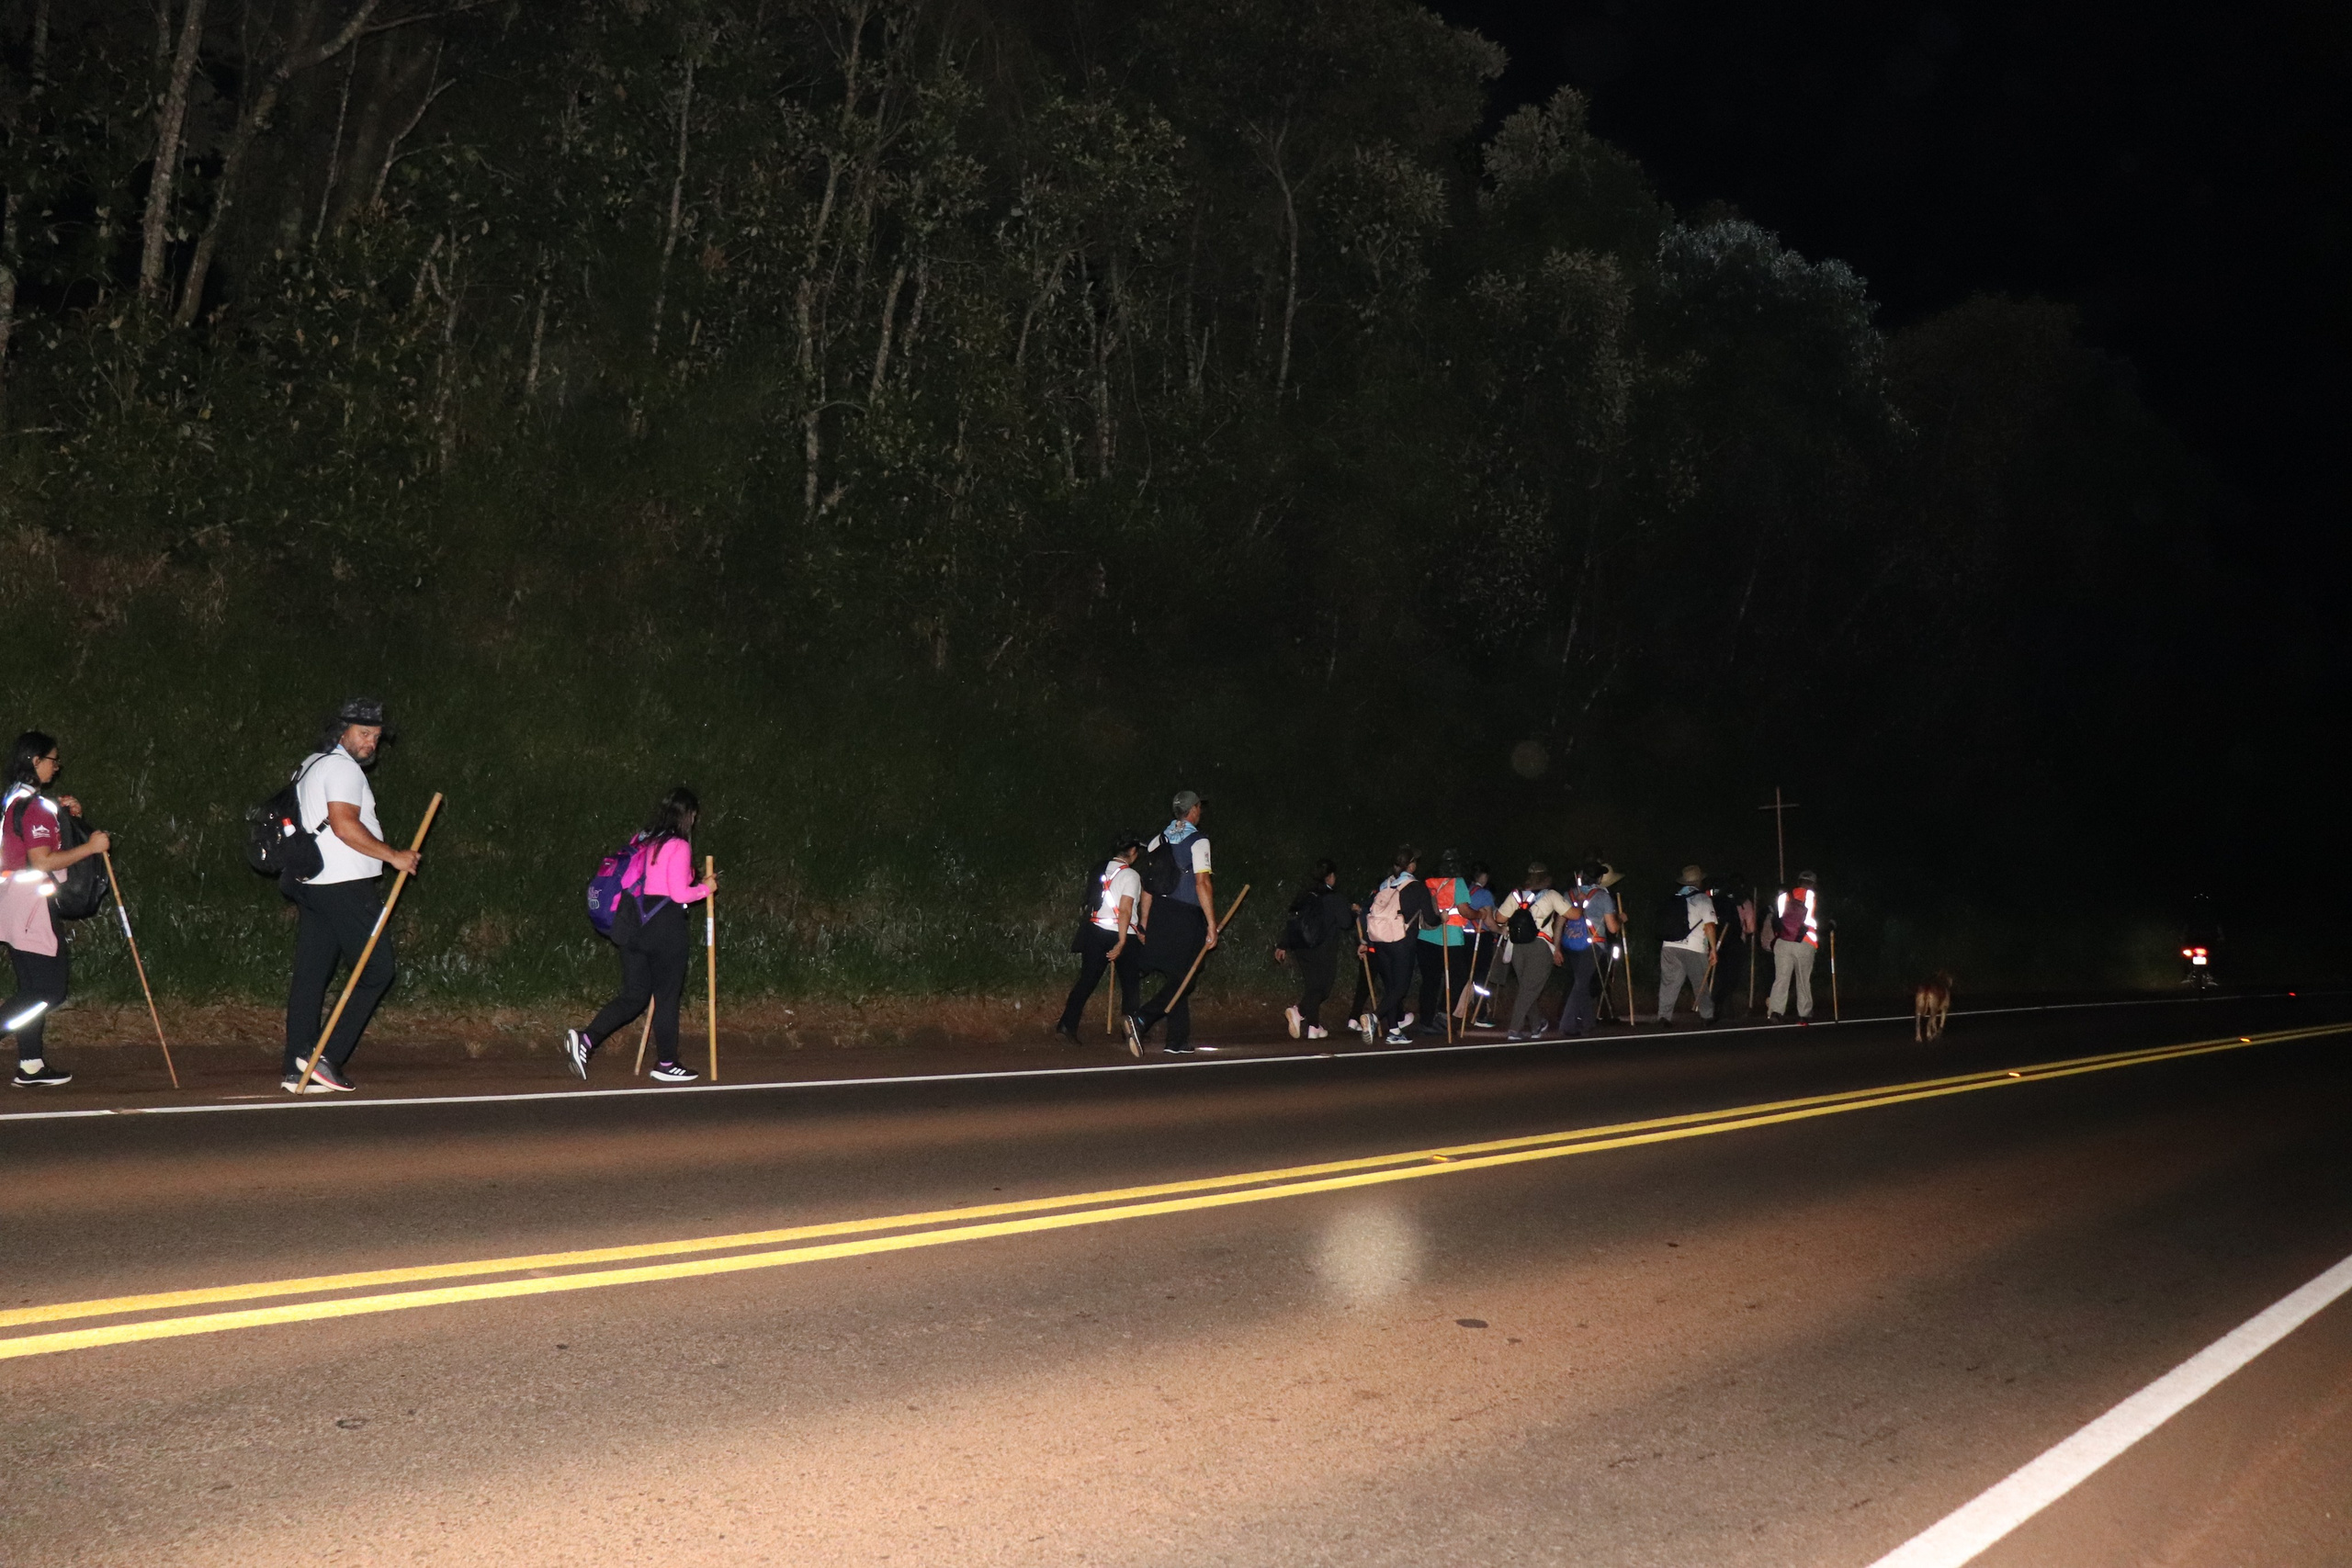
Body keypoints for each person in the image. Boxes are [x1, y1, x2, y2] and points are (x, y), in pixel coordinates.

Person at [281, 698, 419, 1093]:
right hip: (343, 884)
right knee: (378, 971)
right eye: (363, 733)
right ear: (341, 730)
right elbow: (344, 826)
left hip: (315, 883)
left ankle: (297, 1065)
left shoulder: (311, 763)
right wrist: (394, 856)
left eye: (376, 736)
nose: (371, 743)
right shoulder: (342, 769)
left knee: (311, 976)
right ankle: (326, 1057)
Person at [564, 786, 715, 1083]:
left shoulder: (646, 840)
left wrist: (691, 875)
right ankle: (667, 1064)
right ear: (688, 815)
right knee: (667, 997)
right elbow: (679, 892)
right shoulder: (679, 846)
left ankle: (585, 1040)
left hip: (633, 924)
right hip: (665, 928)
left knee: (634, 996)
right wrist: (706, 888)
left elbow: (660, 879)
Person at [2, 733, 110, 1089]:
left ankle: (31, 1064)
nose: (56, 766)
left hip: (13, 905)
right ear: (35, 761)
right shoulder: (33, 806)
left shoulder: (14, 799)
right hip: (33, 907)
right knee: (49, 992)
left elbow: (26, 841)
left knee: (32, 988)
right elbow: (41, 860)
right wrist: (91, 847)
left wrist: (66, 816)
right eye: (53, 759)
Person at [1126, 789, 1217, 1056]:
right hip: (1186, 916)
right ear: (1192, 811)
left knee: (1178, 974)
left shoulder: (1157, 840)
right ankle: (1142, 1018)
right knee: (1186, 978)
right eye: (1199, 807)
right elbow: (1202, 883)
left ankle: (1177, 1040)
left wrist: (1144, 921)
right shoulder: (1199, 842)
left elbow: (1148, 885)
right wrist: (1211, 923)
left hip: (1160, 914)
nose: (1201, 811)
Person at [1057, 833, 1144, 1043]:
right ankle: (1129, 1032)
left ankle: (1067, 1024)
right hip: (1121, 933)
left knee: (1087, 980)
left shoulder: (1100, 869)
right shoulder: (1131, 876)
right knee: (1131, 985)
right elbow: (1125, 909)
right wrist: (1122, 942)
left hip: (1096, 931)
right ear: (1132, 852)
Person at [1494, 863, 1573, 1040]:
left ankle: (1537, 1025)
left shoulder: (1516, 895)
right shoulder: (1551, 895)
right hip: (1540, 946)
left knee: (1527, 988)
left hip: (1517, 946)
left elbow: (1499, 918)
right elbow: (1573, 914)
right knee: (1529, 990)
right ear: (1546, 878)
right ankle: (1514, 1029)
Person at [1360, 847, 1430, 1045]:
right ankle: (1374, 1017)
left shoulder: (1386, 884)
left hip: (1380, 941)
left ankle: (1394, 1031)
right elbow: (1431, 917)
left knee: (1391, 987)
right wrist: (1441, 918)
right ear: (1411, 865)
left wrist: (1365, 941)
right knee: (1400, 988)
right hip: (1402, 942)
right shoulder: (1416, 887)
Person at [1276, 859, 1351, 1040]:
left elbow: (1293, 919)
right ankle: (1298, 1012)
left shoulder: (1305, 895)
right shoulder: (1334, 898)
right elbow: (1346, 922)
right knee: (1323, 988)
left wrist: (1282, 944)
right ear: (1330, 876)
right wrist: (1353, 911)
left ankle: (1314, 1026)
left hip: (1301, 946)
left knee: (1312, 986)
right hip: (1322, 948)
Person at [1415, 850, 1476, 1036]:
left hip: (1425, 937)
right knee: (1458, 976)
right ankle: (1442, 1014)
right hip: (1450, 939)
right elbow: (1465, 911)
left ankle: (1426, 1020)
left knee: (1430, 981)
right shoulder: (1459, 883)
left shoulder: (1428, 883)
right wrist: (1480, 914)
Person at [1552, 863, 1611, 1038]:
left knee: (1581, 980)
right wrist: (1621, 918)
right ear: (1600, 878)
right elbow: (1613, 928)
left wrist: (1557, 948)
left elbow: (1559, 923)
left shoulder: (1568, 895)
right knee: (1580, 984)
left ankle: (1588, 1020)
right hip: (1593, 944)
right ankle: (1567, 1024)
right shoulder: (1602, 897)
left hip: (1571, 943)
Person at [1656, 864, 1717, 1025]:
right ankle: (1707, 1015)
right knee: (1700, 983)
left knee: (1669, 983)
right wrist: (1713, 949)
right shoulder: (1703, 899)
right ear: (1699, 882)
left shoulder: (1674, 897)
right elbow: (1709, 926)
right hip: (1694, 947)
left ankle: (1664, 1016)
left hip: (1669, 945)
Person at [1768, 870, 1823, 1022]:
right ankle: (1804, 1013)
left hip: (1783, 942)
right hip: (1805, 942)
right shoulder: (1813, 897)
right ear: (1813, 883)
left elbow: (1776, 918)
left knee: (1781, 978)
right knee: (1803, 979)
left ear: (1799, 881)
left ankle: (1775, 1012)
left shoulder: (1785, 895)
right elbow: (1819, 920)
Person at [1709, 874, 1756, 1020]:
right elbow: (1751, 928)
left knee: (1719, 976)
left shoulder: (1716, 900)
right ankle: (1724, 1006)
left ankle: (1716, 1007)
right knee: (1733, 977)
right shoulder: (1744, 902)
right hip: (1736, 943)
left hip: (1717, 942)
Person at [1461, 862, 1499, 1028]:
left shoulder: (1464, 891)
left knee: (1464, 976)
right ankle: (1480, 1014)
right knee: (1481, 978)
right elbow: (1490, 922)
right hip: (1479, 938)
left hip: (1462, 938)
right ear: (1483, 876)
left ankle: (1458, 1012)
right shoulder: (1485, 894)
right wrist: (1500, 931)